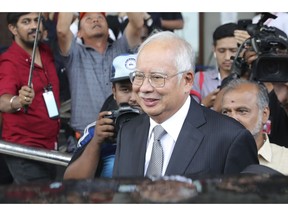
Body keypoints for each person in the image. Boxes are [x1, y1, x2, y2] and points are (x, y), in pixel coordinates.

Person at [112, 31, 259, 179]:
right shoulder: (128, 132)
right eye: (139, 76)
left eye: (157, 77)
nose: (144, 88)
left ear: (187, 80)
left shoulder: (229, 138)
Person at [56, 12, 145, 137]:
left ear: (108, 31)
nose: (95, 20)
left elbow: (138, 24)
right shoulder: (75, 55)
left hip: (125, 134)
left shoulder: (121, 48)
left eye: (100, 17)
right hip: (84, 136)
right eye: (88, 19)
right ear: (79, 33)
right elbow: (62, 31)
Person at [0, 13, 60, 184]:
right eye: (26, 22)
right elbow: (2, 100)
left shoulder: (45, 51)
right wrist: (17, 101)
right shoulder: (9, 61)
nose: (34, 26)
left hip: (49, 148)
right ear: (13, 29)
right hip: (25, 151)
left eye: (37, 20)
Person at [63, 53, 142, 180]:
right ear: (114, 92)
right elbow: (71, 181)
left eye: (139, 89)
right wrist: (96, 142)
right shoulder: (99, 130)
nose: (133, 98)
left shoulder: (162, 126)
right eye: (125, 90)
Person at [221, 79, 288, 175]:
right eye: (226, 112)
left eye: (242, 111)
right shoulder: (209, 158)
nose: (232, 118)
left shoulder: (285, 160)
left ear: (264, 114)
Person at [190, 22, 238, 108]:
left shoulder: (250, 78)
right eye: (222, 51)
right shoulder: (200, 79)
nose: (227, 57)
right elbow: (189, 116)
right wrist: (204, 104)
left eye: (233, 50)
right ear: (214, 49)